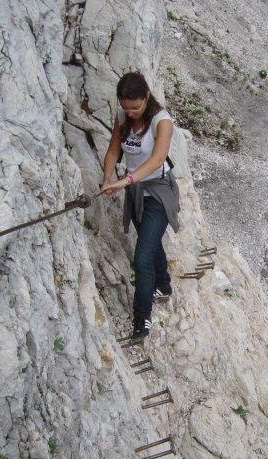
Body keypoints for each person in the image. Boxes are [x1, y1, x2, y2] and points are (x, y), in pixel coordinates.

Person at [101, 72, 180, 341]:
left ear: (147, 96)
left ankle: (141, 319)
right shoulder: (123, 118)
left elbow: (158, 159)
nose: (130, 113)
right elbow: (114, 150)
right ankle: (164, 285)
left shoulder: (162, 121)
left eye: (135, 107)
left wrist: (125, 180)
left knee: (142, 256)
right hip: (134, 191)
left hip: (158, 192)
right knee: (150, 241)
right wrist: (107, 178)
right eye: (125, 107)